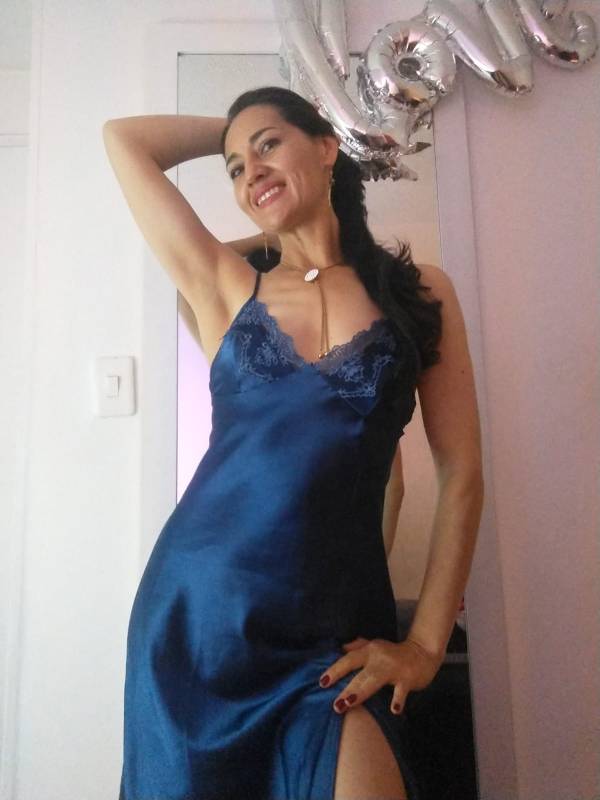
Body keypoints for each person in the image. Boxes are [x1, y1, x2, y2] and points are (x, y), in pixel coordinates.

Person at [103, 85, 484, 800]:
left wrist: (426, 644)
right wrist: (239, 132)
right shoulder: (223, 287)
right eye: (235, 167)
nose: (250, 170)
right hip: (200, 620)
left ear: (328, 146)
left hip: (332, 638)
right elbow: (124, 140)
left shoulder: (421, 292)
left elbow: (460, 471)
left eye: (269, 144)